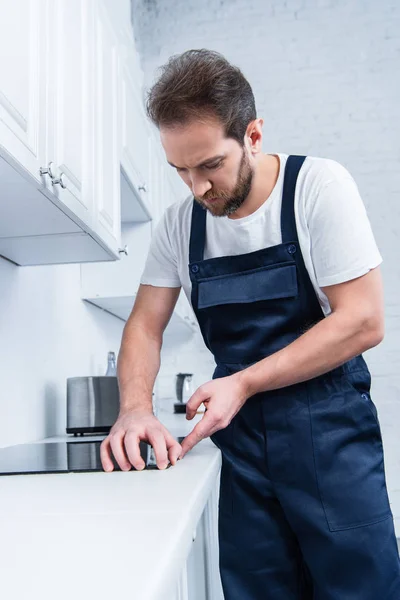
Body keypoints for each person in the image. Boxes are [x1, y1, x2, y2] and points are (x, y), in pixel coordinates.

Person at [100, 49, 400, 599]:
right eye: (180, 170)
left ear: (254, 136)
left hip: (333, 441)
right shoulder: (178, 226)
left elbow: (363, 320)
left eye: (209, 164)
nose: (196, 188)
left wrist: (243, 381)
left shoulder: (316, 188)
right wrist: (135, 408)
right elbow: (144, 324)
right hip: (245, 455)